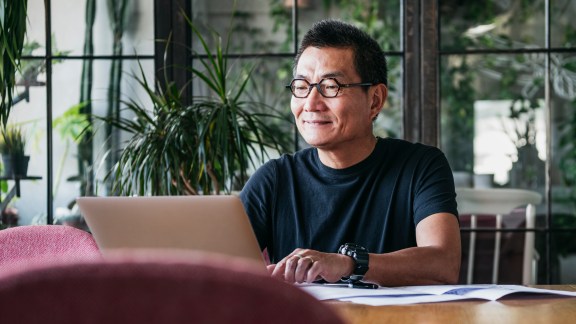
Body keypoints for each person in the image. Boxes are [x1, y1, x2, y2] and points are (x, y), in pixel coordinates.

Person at [239, 19, 461, 287]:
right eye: (301, 86)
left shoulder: (420, 166)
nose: (310, 103)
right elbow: (218, 268)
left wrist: (347, 264)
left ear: (375, 100)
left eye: (331, 86)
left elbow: (443, 264)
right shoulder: (273, 181)